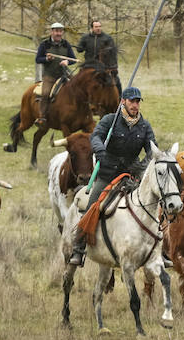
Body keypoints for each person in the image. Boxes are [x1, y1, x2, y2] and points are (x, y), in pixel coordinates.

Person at [68, 87, 160, 267]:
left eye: (138, 101)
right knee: (91, 206)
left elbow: (152, 150)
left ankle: (160, 251)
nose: (135, 105)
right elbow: (96, 137)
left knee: (155, 207)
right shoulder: (109, 120)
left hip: (132, 177)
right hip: (108, 174)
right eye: (132, 101)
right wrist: (100, 150)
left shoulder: (144, 126)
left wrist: (142, 167)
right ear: (122, 102)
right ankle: (78, 249)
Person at [34, 22, 77, 126]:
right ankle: (42, 117)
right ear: (52, 32)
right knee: (45, 93)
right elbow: (38, 59)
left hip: (64, 74)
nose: (59, 33)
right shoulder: (44, 44)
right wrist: (46, 59)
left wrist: (67, 62)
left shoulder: (66, 44)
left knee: (79, 88)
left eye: (60, 31)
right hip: (50, 76)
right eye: (56, 31)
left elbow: (73, 59)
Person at [76, 20, 121, 94]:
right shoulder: (85, 37)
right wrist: (81, 47)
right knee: (77, 81)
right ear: (92, 28)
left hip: (103, 66)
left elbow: (113, 53)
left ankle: (120, 101)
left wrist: (113, 67)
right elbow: (79, 49)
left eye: (100, 26)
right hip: (88, 65)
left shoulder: (107, 38)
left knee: (117, 83)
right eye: (96, 27)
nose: (98, 28)